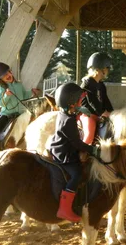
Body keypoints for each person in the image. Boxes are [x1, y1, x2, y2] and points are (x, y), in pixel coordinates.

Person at [49, 82, 101, 222]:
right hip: (64, 154)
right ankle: (64, 209)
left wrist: (79, 112)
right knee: (76, 174)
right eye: (79, 100)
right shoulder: (69, 122)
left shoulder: (63, 114)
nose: (80, 101)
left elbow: (72, 117)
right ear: (71, 103)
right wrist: (93, 149)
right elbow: (77, 144)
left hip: (57, 146)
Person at [80, 52, 114, 145]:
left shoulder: (101, 85)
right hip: (87, 115)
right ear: (101, 69)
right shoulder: (87, 83)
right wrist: (103, 112)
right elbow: (92, 101)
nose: (108, 71)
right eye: (107, 68)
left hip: (98, 115)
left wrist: (112, 112)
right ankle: (82, 153)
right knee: (89, 135)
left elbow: (105, 100)